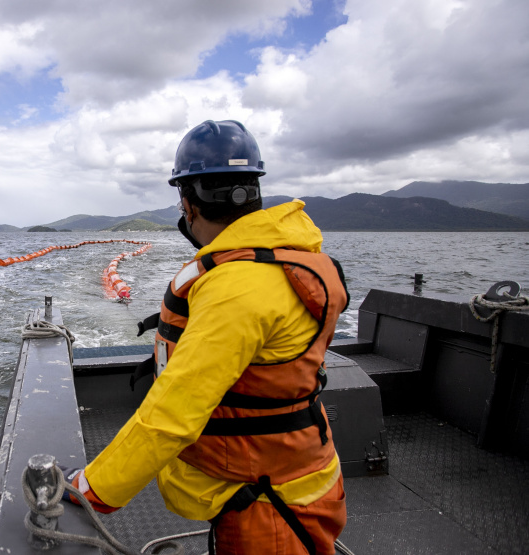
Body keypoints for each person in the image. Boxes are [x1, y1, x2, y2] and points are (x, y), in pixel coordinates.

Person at [63, 120, 349, 554]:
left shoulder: (237, 286)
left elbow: (175, 412)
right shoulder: (290, 258)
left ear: (187, 203)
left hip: (267, 503)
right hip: (293, 473)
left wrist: (91, 488)